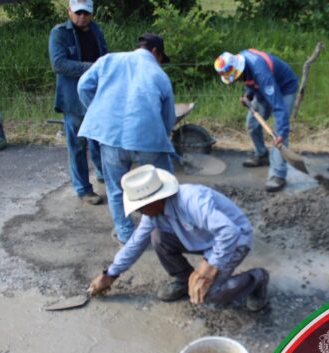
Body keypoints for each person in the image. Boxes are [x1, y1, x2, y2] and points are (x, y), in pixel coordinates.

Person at [87, 164, 270, 312]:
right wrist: (110, 275)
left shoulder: (192, 201)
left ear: (154, 200)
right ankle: (185, 280)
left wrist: (208, 267)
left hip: (233, 241)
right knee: (157, 236)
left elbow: (230, 232)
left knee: (210, 295)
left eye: (140, 206)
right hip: (201, 238)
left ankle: (257, 279)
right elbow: (134, 244)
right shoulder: (152, 215)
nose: (138, 211)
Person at [77, 33, 176, 244]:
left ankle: (126, 235)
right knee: (163, 183)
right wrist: (163, 136)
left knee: (115, 189)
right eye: (160, 57)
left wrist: (97, 111)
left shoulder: (108, 60)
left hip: (111, 137)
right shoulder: (159, 75)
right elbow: (169, 117)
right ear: (156, 52)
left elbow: (83, 87)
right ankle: (166, 232)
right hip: (148, 139)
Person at [214, 49, 299, 192]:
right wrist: (248, 95)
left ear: (238, 69)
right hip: (262, 88)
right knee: (252, 123)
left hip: (284, 88)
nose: (235, 80)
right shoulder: (241, 62)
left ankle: (278, 175)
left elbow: (278, 105)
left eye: (235, 78)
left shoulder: (261, 73)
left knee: (278, 133)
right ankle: (262, 155)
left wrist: (282, 133)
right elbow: (249, 79)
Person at [49, 0, 107, 205]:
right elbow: (59, 64)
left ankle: (103, 173)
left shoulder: (96, 30)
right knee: (77, 145)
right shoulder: (59, 33)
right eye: (78, 12)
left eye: (86, 12)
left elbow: (105, 57)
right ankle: (83, 189)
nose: (82, 16)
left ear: (91, 13)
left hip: (95, 96)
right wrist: (92, 68)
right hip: (73, 99)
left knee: (99, 140)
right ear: (69, 12)